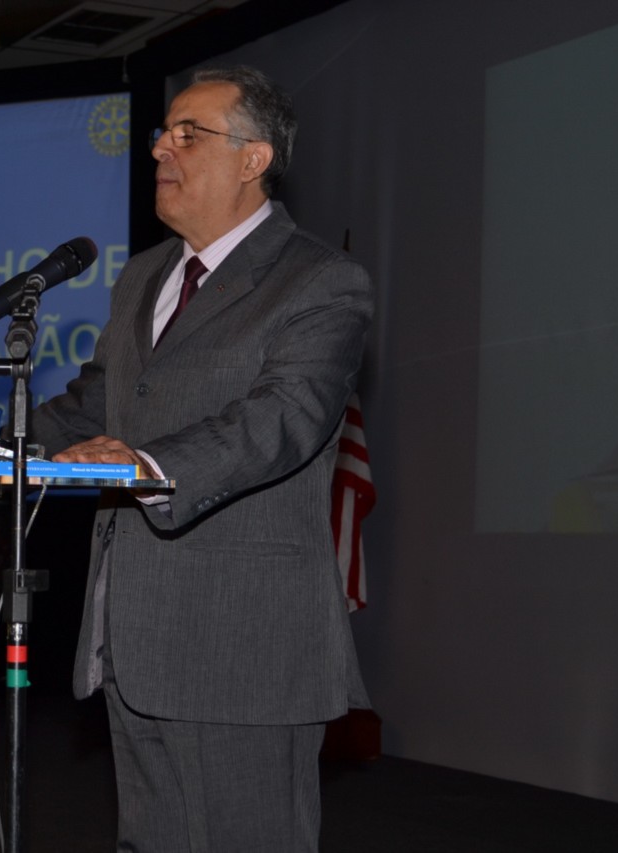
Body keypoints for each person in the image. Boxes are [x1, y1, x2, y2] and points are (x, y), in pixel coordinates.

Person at [27, 66, 374, 851]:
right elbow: (92, 406)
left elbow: (286, 417)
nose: (160, 149)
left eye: (189, 134)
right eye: (163, 133)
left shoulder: (320, 279)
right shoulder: (144, 276)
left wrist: (147, 464)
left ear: (254, 158)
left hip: (242, 643)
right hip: (131, 635)